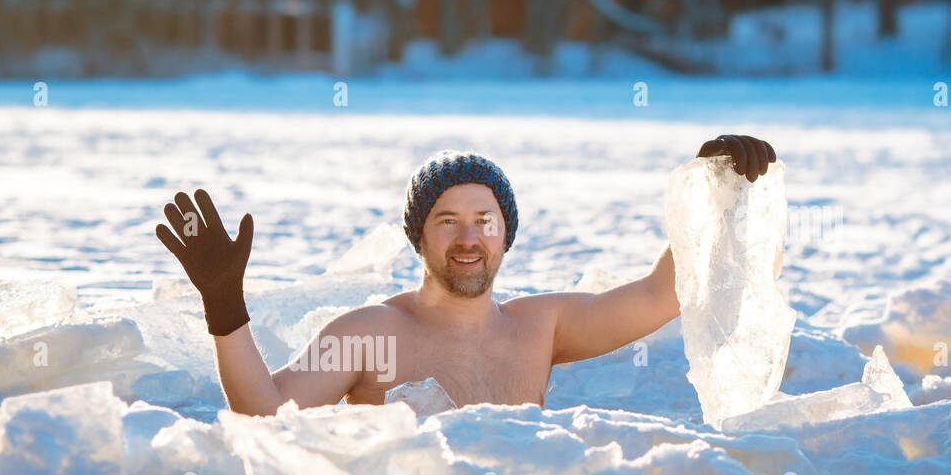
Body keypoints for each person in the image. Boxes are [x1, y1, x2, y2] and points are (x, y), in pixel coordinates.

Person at [155, 135, 776, 416]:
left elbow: (661, 293)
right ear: (418, 238)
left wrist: (715, 185)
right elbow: (263, 413)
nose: (469, 238)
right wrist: (224, 306)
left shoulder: (540, 327)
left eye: (485, 219)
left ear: (506, 233)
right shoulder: (372, 331)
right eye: (447, 221)